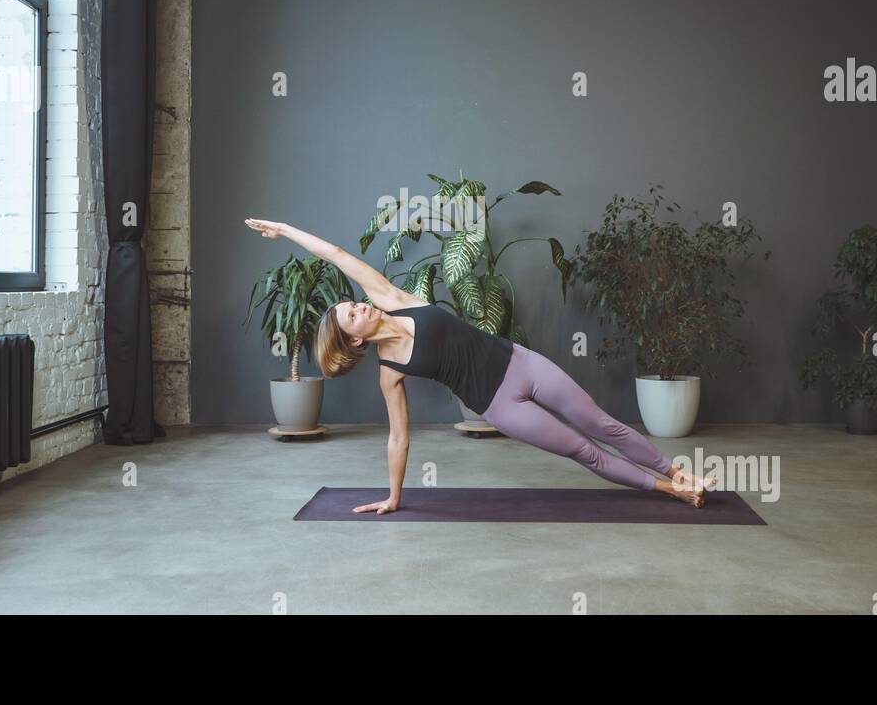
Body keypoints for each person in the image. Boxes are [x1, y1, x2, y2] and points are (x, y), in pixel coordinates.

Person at [245, 218, 716, 514]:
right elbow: (397, 437)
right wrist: (394, 497)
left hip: (521, 362)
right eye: (352, 315)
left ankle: (678, 474)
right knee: (582, 451)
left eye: (354, 303)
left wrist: (285, 231)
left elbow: (340, 256)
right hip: (499, 405)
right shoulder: (390, 371)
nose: (360, 307)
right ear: (352, 339)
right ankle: (667, 490)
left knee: (602, 424)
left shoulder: (394, 299)